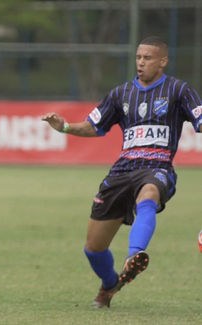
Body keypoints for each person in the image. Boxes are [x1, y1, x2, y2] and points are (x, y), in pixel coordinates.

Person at [42, 36, 202, 308]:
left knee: (149, 195)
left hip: (157, 166)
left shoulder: (179, 90)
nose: (141, 62)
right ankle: (109, 285)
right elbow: (94, 126)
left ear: (162, 61)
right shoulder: (120, 94)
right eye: (138, 57)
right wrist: (65, 127)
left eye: (147, 58)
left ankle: (135, 256)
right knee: (93, 248)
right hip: (121, 171)